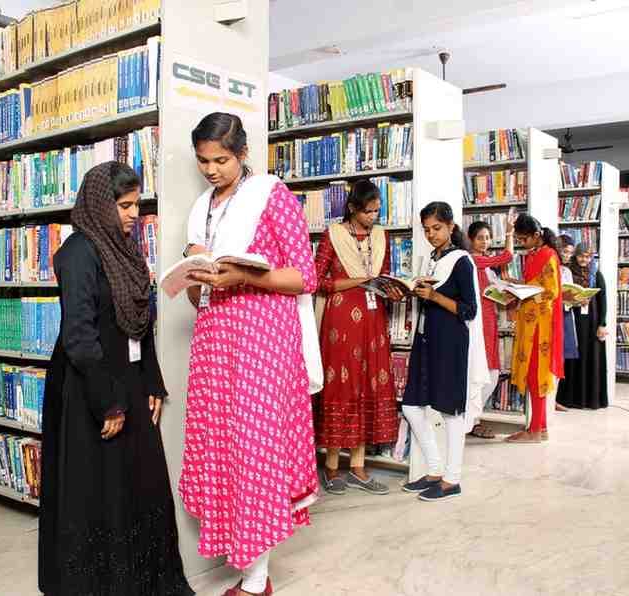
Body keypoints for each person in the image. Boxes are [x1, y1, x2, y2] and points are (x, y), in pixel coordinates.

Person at [179, 113, 321, 596]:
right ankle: (247, 567)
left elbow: (304, 277)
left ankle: (256, 578)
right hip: (216, 342)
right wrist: (198, 277)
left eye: (221, 159)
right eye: (203, 161)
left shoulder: (271, 196)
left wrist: (244, 277)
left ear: (242, 153)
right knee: (224, 450)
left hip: (262, 344)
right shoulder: (203, 207)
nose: (212, 170)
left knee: (255, 452)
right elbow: (199, 294)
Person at [39, 162, 193, 596]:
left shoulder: (125, 251)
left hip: (127, 379)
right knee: (96, 492)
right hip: (90, 386)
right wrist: (107, 402)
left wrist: (151, 383)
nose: (132, 215)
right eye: (124, 205)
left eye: (137, 206)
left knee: (142, 487)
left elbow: (139, 326)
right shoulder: (76, 254)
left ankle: (142, 582)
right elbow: (80, 336)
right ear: (100, 205)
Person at [314, 179, 402, 496]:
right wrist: (352, 281)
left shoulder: (381, 236)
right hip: (341, 321)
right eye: (368, 212)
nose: (373, 218)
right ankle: (332, 466)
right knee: (341, 387)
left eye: (377, 211)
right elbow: (315, 279)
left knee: (368, 386)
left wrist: (393, 289)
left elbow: (385, 274)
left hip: (373, 319)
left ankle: (359, 467)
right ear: (352, 208)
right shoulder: (333, 235)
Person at [400, 202, 489, 502]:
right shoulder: (432, 259)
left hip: (451, 343)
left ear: (451, 226)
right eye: (426, 230)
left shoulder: (462, 261)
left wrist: (434, 296)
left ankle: (452, 480)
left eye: (436, 228)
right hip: (426, 340)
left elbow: (469, 310)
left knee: (451, 412)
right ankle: (435, 470)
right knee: (411, 405)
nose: (431, 234)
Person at [505, 214, 564, 443]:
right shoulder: (533, 255)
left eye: (523, 239)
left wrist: (526, 291)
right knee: (532, 375)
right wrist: (516, 285)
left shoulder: (548, 255)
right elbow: (535, 284)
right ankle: (540, 427)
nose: (522, 244)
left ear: (536, 236)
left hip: (540, 325)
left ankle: (535, 431)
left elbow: (552, 291)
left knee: (536, 375)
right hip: (529, 322)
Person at [466, 209, 517, 439]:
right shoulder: (474, 259)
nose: (484, 242)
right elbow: (507, 256)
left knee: (490, 373)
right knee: (485, 373)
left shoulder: (485, 265)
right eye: (480, 238)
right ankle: (470, 421)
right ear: (470, 239)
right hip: (479, 323)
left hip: (490, 320)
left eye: (487, 238)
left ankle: (472, 420)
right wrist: (509, 233)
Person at [557, 242, 609, 409]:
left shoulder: (596, 274)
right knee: (573, 359)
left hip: (592, 323)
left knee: (592, 358)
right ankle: (571, 399)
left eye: (587, 256)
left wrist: (602, 324)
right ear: (575, 256)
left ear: (591, 257)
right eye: (580, 256)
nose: (584, 259)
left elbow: (603, 301)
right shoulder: (567, 273)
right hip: (573, 321)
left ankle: (591, 399)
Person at [555, 234, 579, 413]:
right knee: (553, 357)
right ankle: (550, 399)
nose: (567, 256)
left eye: (570, 253)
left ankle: (554, 398)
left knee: (561, 358)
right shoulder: (551, 268)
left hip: (566, 314)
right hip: (554, 315)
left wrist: (579, 299)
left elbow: (570, 295)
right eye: (564, 251)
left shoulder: (567, 271)